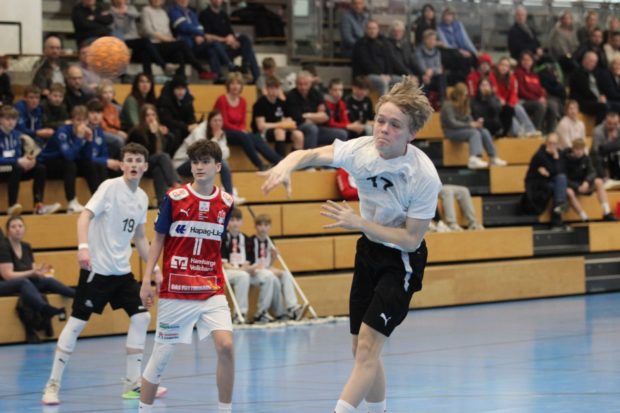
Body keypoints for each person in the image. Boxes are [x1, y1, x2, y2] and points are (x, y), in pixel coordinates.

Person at [261, 76, 442, 413]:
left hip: (401, 261)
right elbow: (311, 153)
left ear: (412, 134)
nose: (383, 130)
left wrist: (360, 223)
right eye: (380, 120)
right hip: (369, 252)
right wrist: (286, 164)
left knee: (368, 349)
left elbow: (411, 238)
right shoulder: (361, 150)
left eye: (395, 125)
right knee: (361, 348)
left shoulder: (423, 175)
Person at [41, 143, 167, 405]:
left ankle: (133, 383)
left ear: (145, 166)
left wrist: (154, 268)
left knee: (142, 318)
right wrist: (83, 248)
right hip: (96, 271)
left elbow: (140, 238)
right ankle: (52, 385)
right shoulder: (109, 187)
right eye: (129, 160)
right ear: (122, 165)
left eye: (138, 161)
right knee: (76, 324)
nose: (133, 165)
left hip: (122, 273)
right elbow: (84, 217)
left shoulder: (142, 198)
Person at [138, 140, 234, 413]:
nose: (199, 167)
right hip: (176, 289)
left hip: (211, 287)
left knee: (226, 346)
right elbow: (158, 239)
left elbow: (216, 243)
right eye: (195, 162)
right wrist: (146, 279)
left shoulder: (226, 202)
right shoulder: (175, 197)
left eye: (205, 162)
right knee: (161, 358)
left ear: (217, 166)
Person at [0, 216, 74, 343]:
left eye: (20, 226)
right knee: (24, 282)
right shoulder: (3, 246)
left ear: (24, 229)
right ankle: (45, 309)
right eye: (13, 227)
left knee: (48, 281)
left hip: (25, 282)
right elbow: (7, 275)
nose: (17, 229)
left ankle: (79, 296)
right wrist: (31, 273)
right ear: (7, 231)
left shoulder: (26, 246)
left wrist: (40, 272)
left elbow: (33, 270)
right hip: (6, 283)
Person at [221, 208, 279, 324]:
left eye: (238, 220)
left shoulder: (246, 239)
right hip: (228, 272)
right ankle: (239, 314)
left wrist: (249, 268)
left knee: (269, 276)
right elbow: (224, 263)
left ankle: (261, 313)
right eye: (232, 220)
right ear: (227, 222)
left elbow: (249, 260)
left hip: (244, 271)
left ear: (242, 222)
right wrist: (240, 269)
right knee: (243, 276)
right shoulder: (223, 238)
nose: (235, 223)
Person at [37, 105, 100, 213]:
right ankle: (72, 202)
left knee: (89, 165)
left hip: (65, 163)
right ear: (72, 120)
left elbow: (87, 157)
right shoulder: (62, 132)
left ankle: (99, 201)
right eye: (78, 120)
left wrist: (89, 141)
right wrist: (79, 138)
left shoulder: (86, 132)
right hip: (48, 163)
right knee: (70, 164)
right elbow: (69, 156)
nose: (81, 124)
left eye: (84, 120)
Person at [214, 72, 282, 169]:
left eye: (238, 83)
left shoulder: (243, 101)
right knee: (244, 136)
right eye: (232, 83)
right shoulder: (222, 99)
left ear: (241, 86)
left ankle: (280, 161)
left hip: (239, 133)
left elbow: (242, 122)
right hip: (223, 131)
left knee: (256, 137)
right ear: (228, 85)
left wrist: (241, 130)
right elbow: (223, 123)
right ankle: (260, 165)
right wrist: (240, 131)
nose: (235, 86)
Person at [0, 105, 59, 216]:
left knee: (40, 168)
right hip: (3, 168)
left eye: (13, 119)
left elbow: (17, 155)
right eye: (7, 119)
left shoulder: (16, 135)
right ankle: (12, 205)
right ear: (0, 120)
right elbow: (14, 159)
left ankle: (38, 205)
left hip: (14, 168)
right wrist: (17, 161)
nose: (11, 122)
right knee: (16, 167)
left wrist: (28, 160)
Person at [140, 0, 213, 79]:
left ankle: (180, 78)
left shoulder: (163, 12)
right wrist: (165, 39)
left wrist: (171, 39)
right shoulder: (146, 10)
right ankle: (200, 69)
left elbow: (167, 31)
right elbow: (147, 30)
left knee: (178, 53)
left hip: (165, 43)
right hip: (153, 44)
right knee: (182, 44)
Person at [440, 83, 507, 169]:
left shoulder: (465, 104)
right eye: (464, 95)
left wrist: (476, 124)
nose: (465, 97)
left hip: (463, 129)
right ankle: (474, 158)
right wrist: (470, 125)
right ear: (458, 94)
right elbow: (452, 123)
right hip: (451, 131)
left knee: (484, 131)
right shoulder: (448, 105)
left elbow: (469, 118)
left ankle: (493, 157)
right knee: (474, 133)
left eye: (466, 95)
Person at [251, 213, 303, 322]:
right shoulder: (250, 241)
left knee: (285, 274)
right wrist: (267, 269)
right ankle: (262, 312)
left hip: (266, 269)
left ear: (270, 227)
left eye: (266, 225)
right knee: (272, 278)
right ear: (255, 226)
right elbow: (250, 263)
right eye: (260, 225)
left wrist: (274, 257)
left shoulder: (270, 242)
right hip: (255, 271)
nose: (263, 228)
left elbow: (269, 263)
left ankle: (292, 307)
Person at [127, 104, 180, 205]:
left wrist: (166, 135)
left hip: (151, 166)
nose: (151, 118)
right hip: (138, 164)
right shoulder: (137, 132)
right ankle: (175, 184)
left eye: (153, 114)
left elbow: (169, 150)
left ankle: (162, 202)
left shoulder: (157, 130)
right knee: (162, 156)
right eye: (147, 115)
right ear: (143, 117)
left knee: (158, 170)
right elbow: (145, 154)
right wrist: (152, 134)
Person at [199, 0, 260, 83]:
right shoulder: (204, 14)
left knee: (245, 40)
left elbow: (230, 32)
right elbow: (206, 36)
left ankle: (248, 69)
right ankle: (220, 76)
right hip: (216, 48)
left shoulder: (224, 15)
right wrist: (224, 40)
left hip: (228, 47)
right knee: (213, 48)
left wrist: (233, 41)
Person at [168, 0, 225, 82]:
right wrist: (197, 35)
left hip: (196, 45)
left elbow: (200, 28)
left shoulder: (191, 13)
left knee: (211, 49)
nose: (184, 1)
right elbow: (184, 27)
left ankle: (218, 77)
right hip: (185, 46)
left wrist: (199, 35)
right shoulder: (174, 11)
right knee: (214, 44)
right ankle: (230, 65)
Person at [522, 133, 568, 229]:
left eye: (554, 144)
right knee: (558, 187)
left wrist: (556, 159)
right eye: (550, 143)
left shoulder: (560, 154)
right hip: (536, 185)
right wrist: (556, 159)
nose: (552, 146)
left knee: (561, 179)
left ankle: (558, 210)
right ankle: (559, 212)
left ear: (558, 144)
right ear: (546, 143)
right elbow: (554, 171)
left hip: (551, 182)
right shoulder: (540, 155)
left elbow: (561, 172)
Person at [564, 138, 616, 222]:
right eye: (577, 149)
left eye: (581, 149)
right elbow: (564, 178)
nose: (579, 152)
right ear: (573, 149)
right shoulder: (566, 160)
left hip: (584, 185)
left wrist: (586, 182)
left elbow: (592, 172)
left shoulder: (586, 158)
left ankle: (607, 212)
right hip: (573, 187)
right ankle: (584, 217)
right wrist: (577, 187)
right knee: (568, 191)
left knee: (598, 182)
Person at [110, 0, 168, 76]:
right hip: (122, 41)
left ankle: (148, 77)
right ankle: (162, 64)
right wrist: (116, 13)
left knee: (145, 52)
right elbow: (112, 28)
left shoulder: (130, 8)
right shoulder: (110, 12)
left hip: (134, 39)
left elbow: (137, 15)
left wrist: (126, 12)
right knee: (145, 41)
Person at [252, 76, 304, 156]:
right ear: (267, 89)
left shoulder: (281, 103)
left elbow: (289, 119)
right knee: (280, 131)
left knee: (298, 135)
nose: (274, 91)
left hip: (281, 130)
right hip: (263, 133)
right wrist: (280, 125)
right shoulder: (260, 103)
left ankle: (295, 161)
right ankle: (279, 161)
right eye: (271, 88)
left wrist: (289, 124)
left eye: (276, 88)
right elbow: (261, 126)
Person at [489, 56, 538, 136]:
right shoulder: (492, 76)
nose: (504, 67)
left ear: (509, 68)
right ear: (498, 66)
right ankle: (519, 131)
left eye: (506, 66)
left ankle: (530, 130)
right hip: (497, 103)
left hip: (508, 104)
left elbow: (514, 94)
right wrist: (501, 100)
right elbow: (495, 92)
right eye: (502, 65)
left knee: (517, 107)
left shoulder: (512, 78)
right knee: (511, 116)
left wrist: (511, 104)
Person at [514, 51, 561, 133]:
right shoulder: (518, 73)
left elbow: (540, 89)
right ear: (520, 61)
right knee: (540, 106)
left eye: (529, 60)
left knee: (552, 105)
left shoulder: (534, 74)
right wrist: (537, 99)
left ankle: (550, 132)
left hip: (536, 100)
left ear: (532, 61)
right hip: (524, 101)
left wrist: (543, 97)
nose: (526, 62)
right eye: (524, 60)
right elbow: (521, 91)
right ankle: (535, 130)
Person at [352, 20, 402, 96]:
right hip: (367, 75)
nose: (372, 31)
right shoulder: (360, 44)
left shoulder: (384, 42)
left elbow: (389, 60)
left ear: (378, 30)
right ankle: (384, 103)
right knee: (381, 82)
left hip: (384, 75)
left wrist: (388, 74)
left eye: (374, 28)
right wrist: (380, 74)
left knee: (402, 81)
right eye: (370, 28)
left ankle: (398, 103)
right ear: (366, 30)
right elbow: (366, 63)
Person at [81, 99, 121, 186]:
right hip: (83, 164)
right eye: (92, 113)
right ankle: (102, 194)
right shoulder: (82, 130)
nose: (96, 116)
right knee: (100, 166)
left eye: (99, 113)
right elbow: (83, 157)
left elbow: (104, 153)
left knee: (119, 168)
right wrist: (105, 161)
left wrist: (108, 161)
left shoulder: (99, 131)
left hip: (97, 162)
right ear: (86, 114)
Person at [569, 51, 616, 124]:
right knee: (603, 107)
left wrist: (602, 96)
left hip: (595, 101)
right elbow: (585, 91)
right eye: (591, 61)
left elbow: (599, 88)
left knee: (617, 105)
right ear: (584, 60)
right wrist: (598, 99)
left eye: (595, 62)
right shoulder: (577, 73)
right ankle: (599, 129)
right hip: (583, 102)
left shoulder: (594, 73)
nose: (593, 64)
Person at [156, 75, 197, 154]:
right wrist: (187, 127)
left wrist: (193, 124)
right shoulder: (164, 100)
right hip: (168, 128)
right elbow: (167, 121)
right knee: (176, 133)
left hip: (182, 127)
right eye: (178, 89)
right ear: (173, 89)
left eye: (183, 89)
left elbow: (191, 116)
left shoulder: (188, 99)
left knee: (196, 131)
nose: (181, 92)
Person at [437, 6, 477, 81]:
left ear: (453, 16)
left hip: (462, 49)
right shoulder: (439, 27)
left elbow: (466, 39)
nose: (447, 17)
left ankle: (474, 80)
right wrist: (459, 51)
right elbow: (445, 44)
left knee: (473, 57)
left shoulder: (458, 24)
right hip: (450, 51)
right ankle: (459, 80)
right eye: (445, 15)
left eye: (449, 15)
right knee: (463, 59)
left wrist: (474, 52)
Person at [415, 29, 447, 102]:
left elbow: (439, 68)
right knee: (423, 79)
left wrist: (432, 71)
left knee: (442, 77)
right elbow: (421, 66)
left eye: (434, 39)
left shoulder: (437, 52)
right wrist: (427, 73)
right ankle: (422, 103)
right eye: (429, 39)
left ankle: (442, 101)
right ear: (424, 40)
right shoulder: (418, 51)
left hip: (433, 76)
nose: (432, 41)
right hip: (422, 75)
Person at [97, 80, 127, 158]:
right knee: (119, 140)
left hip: (113, 131)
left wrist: (119, 131)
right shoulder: (97, 106)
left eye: (110, 92)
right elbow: (102, 126)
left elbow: (118, 125)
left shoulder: (115, 108)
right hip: (100, 132)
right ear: (100, 94)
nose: (108, 95)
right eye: (105, 92)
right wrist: (117, 132)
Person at [591, 111, 620, 186]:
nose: (612, 126)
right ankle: (604, 179)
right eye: (610, 123)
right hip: (599, 155)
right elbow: (597, 149)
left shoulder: (619, 129)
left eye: (615, 124)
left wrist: (610, 145)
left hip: (613, 154)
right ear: (605, 122)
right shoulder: (597, 130)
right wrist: (611, 142)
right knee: (597, 157)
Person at [548, 10, 579, 75]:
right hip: (561, 57)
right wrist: (569, 55)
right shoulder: (557, 31)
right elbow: (560, 48)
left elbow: (576, 44)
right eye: (565, 18)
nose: (567, 20)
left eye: (569, 18)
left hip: (573, 55)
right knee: (575, 66)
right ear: (561, 20)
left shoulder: (573, 31)